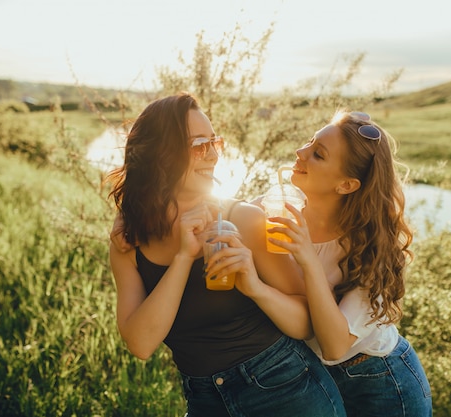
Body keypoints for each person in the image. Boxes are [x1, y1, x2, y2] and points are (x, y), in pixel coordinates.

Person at [106, 93, 346, 417]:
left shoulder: (243, 220)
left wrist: (255, 288)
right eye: (199, 145)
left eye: (214, 143)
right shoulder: (130, 237)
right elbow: (141, 343)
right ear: (159, 154)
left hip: (285, 390)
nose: (213, 156)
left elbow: (307, 324)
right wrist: (182, 258)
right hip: (204, 400)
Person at [262, 110, 433, 416]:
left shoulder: (372, 248)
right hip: (315, 382)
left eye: (318, 154)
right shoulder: (278, 211)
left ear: (346, 185)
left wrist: (307, 260)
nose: (299, 153)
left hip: (381, 387)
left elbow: (335, 346)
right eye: (309, 143)